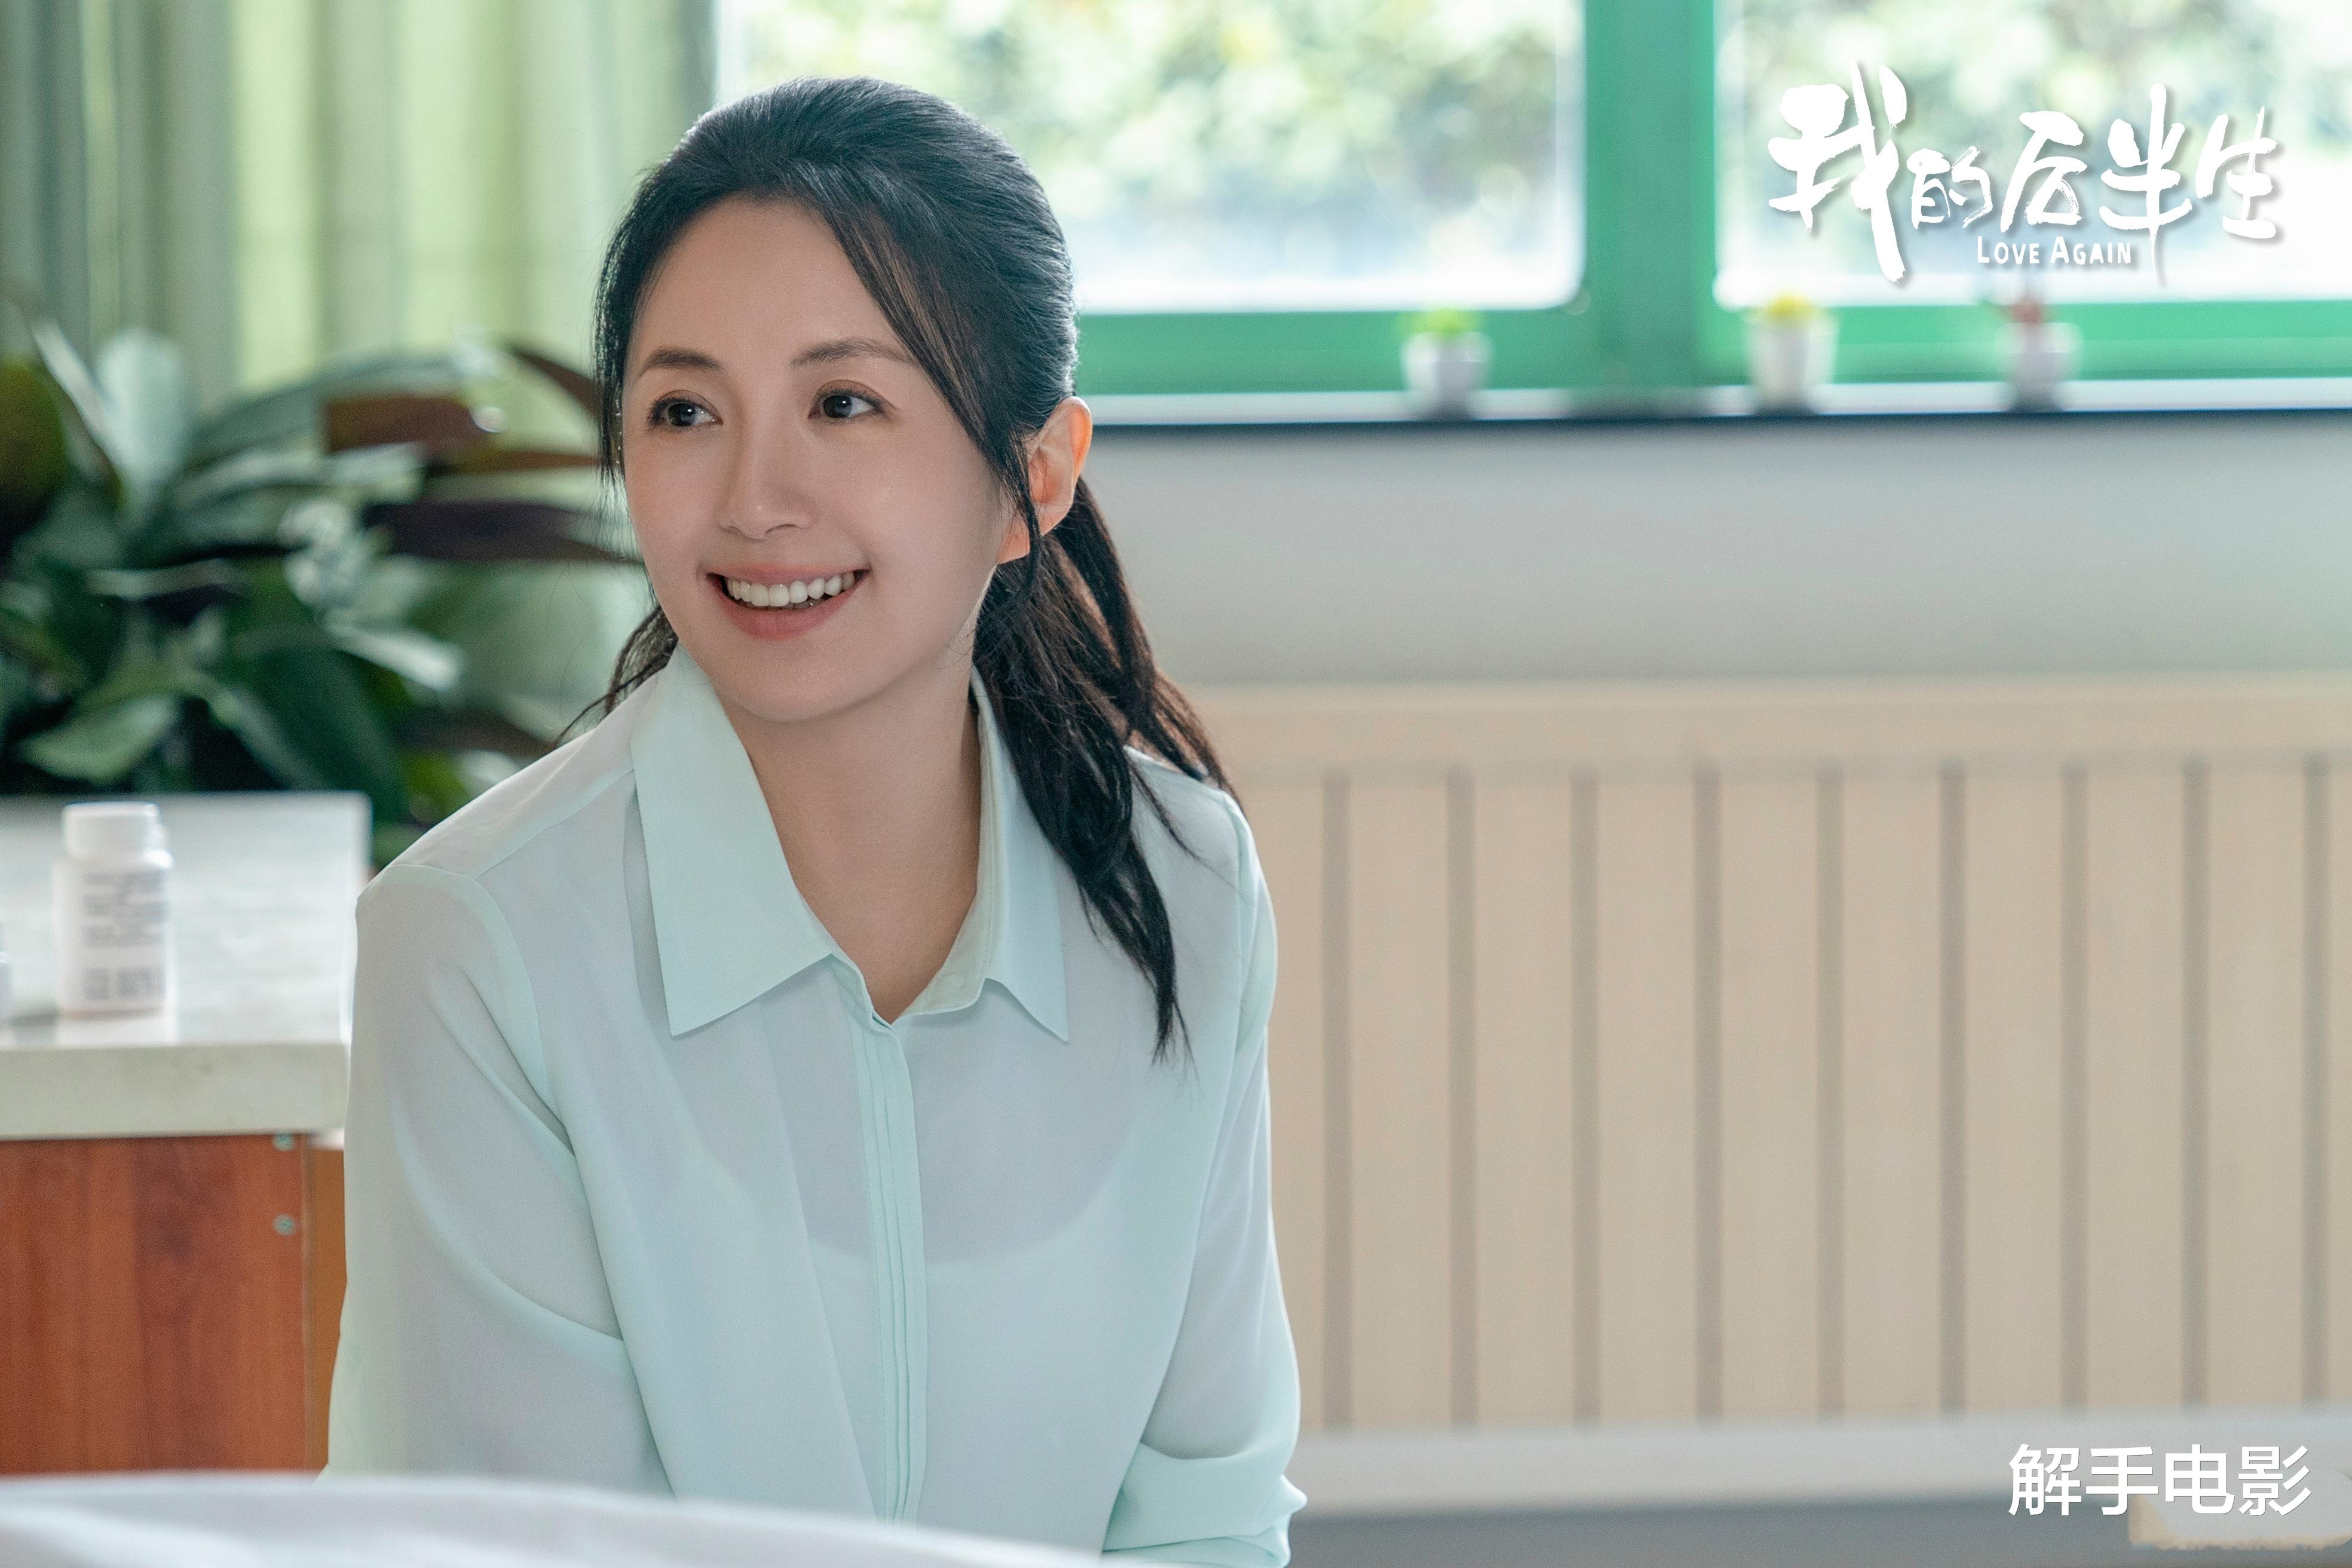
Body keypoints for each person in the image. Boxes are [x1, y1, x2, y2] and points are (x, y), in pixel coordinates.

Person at [323, 74, 1307, 1566]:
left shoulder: (1183, 888)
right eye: (685, 411)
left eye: (844, 403)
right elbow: (507, 1547)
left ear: (1032, 478)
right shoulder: (478, 946)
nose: (755, 498)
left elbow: (1204, 1520)